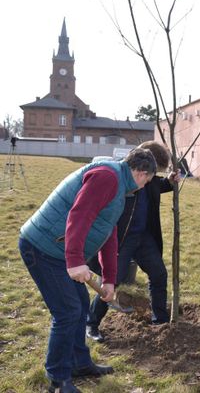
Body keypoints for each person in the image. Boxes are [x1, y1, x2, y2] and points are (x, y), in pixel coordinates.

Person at [19, 148, 157, 393]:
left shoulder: (119, 188)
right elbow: (79, 214)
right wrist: (74, 260)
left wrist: (109, 279)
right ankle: (58, 380)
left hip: (58, 250)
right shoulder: (108, 177)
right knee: (67, 312)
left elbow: (109, 233)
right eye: (147, 181)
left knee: (80, 304)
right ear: (140, 172)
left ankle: (79, 364)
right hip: (42, 248)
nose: (144, 187)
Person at [86, 141, 180, 342]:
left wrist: (170, 182)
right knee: (113, 280)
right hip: (121, 239)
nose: (154, 176)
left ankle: (159, 321)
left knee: (159, 274)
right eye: (154, 172)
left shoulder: (150, 179)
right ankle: (91, 323)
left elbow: (156, 186)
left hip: (144, 237)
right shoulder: (124, 176)